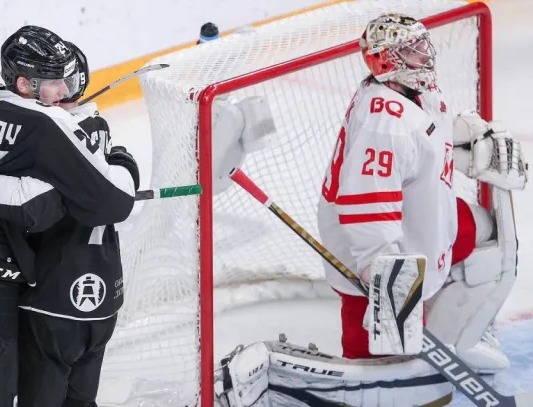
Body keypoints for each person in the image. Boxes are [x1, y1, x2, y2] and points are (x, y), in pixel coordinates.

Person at [212, 13, 527, 406]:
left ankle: (459, 323)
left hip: (426, 220)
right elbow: (368, 207)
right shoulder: (382, 121)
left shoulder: (419, 92)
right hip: (376, 246)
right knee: (378, 361)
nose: (424, 56)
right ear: (385, 61)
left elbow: (430, 143)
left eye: (421, 45)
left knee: (483, 232)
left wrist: (474, 139)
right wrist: (385, 275)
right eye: (410, 51)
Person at [0, 25, 136, 407]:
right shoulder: (48, 129)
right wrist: (119, 158)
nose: (65, 93)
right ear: (23, 84)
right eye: (54, 83)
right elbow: (114, 202)